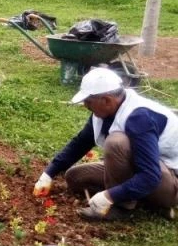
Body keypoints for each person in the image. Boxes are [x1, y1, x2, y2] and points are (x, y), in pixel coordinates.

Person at [33, 68, 178, 221]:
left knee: (116, 143)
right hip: (144, 170)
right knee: (75, 177)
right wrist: (48, 174)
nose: (85, 105)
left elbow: (150, 176)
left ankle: (122, 207)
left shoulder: (139, 117)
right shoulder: (104, 112)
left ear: (107, 100)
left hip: (169, 182)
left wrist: (109, 196)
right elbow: (81, 142)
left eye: (88, 101)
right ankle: (140, 198)